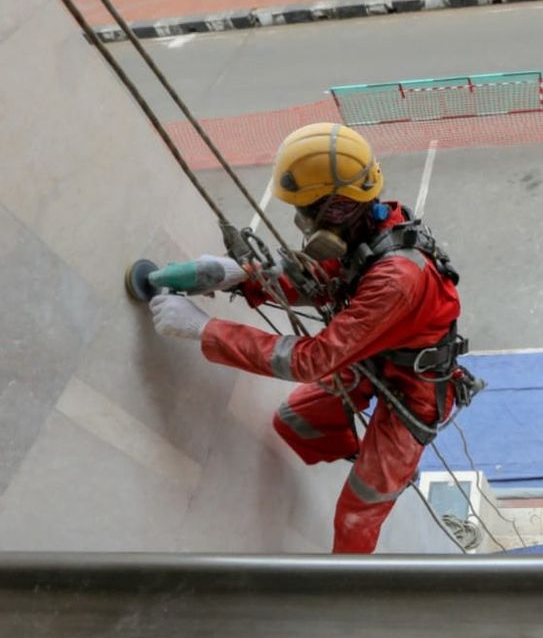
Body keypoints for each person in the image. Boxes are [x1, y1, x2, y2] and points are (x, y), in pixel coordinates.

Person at [148, 122, 475, 553]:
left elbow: (313, 360)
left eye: (306, 211)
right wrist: (240, 278)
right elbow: (325, 278)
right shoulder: (374, 227)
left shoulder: (396, 278)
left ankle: (345, 586)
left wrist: (204, 330)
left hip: (416, 389)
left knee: (357, 514)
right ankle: (363, 456)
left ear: (337, 208)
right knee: (296, 422)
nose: (300, 222)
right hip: (376, 353)